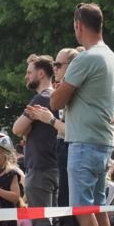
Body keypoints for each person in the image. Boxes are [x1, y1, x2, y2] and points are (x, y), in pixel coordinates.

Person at [51, 4, 114, 226]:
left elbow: (55, 102)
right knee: (99, 209)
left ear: (79, 25)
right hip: (103, 141)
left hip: (83, 142)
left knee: (83, 209)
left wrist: (62, 83)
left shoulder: (85, 59)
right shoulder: (111, 56)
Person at [11, 55, 59, 226]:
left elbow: (17, 129)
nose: (26, 76)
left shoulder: (41, 98)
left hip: (40, 168)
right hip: (55, 167)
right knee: (54, 223)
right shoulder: (57, 96)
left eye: (29, 72)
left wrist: (27, 129)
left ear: (41, 73)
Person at [27, 48, 79, 206]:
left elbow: (17, 129)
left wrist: (49, 120)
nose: (54, 68)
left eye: (58, 65)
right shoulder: (60, 92)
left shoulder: (44, 96)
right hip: (59, 160)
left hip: (49, 164)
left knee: (69, 213)